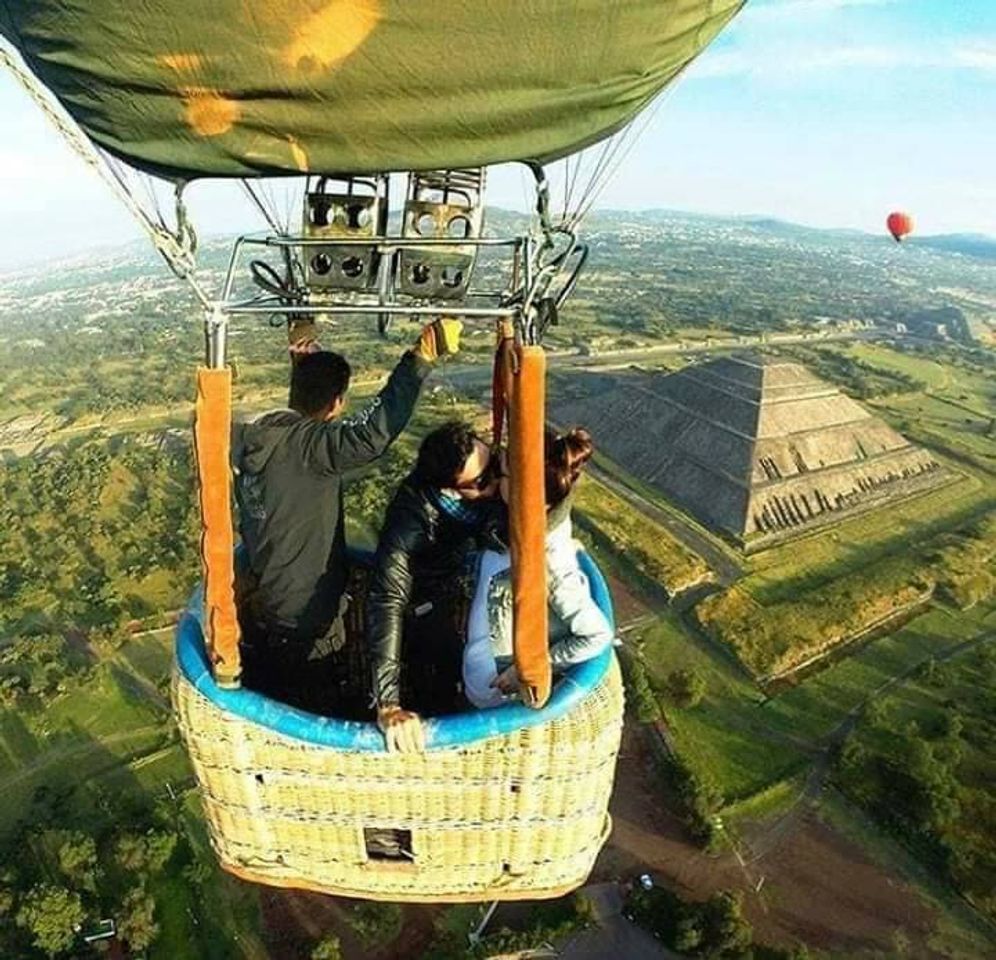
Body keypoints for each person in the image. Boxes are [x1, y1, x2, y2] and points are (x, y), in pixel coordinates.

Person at [232, 319, 461, 713]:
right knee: (313, 707)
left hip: (268, 606)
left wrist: (303, 363)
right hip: (308, 618)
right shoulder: (313, 448)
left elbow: (304, 407)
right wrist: (419, 359)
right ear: (337, 403)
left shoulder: (252, 439)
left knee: (277, 694)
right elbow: (373, 432)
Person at [367, 420, 501, 751]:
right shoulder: (409, 523)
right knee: (439, 680)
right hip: (424, 604)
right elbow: (388, 600)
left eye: (496, 463)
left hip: (457, 585)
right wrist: (387, 702)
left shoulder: (478, 500)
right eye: (483, 481)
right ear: (450, 489)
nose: (497, 481)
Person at [462, 427, 614, 709]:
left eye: (502, 473)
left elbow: (598, 635)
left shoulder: (547, 561)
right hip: (480, 659)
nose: (494, 477)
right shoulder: (522, 525)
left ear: (526, 492)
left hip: (497, 689)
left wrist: (529, 669)